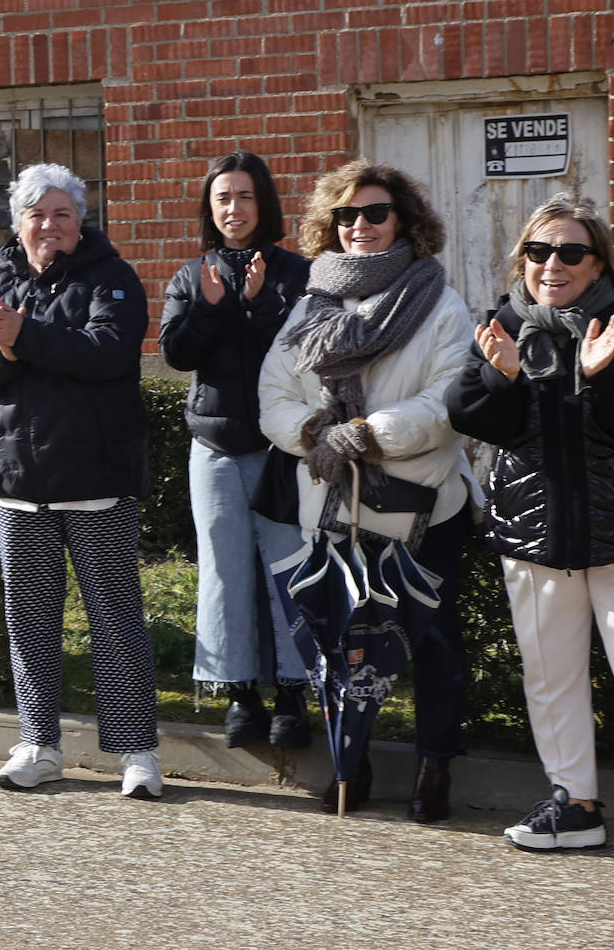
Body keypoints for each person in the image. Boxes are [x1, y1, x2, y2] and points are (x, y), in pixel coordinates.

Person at [445, 193, 614, 864]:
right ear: (522, 260)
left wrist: (604, 372)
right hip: (535, 533)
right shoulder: (501, 325)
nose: (552, 264)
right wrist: (503, 380)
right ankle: (575, 804)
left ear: (597, 263)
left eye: (570, 252)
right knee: (549, 671)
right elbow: (470, 413)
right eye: (538, 251)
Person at [258, 158, 477, 820]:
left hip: (424, 506)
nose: (360, 226)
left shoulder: (438, 300)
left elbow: (448, 401)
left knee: (432, 640)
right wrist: (314, 428)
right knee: (340, 638)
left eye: (375, 213)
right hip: (332, 504)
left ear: (405, 221)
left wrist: (366, 433)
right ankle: (353, 760)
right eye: (346, 215)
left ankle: (434, 766)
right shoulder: (309, 302)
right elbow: (271, 395)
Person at [0, 162, 162, 799]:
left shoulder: (111, 278)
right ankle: (39, 743)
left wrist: (24, 337)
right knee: (30, 619)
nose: (49, 226)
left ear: (81, 221)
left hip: (96, 478)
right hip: (17, 482)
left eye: (61, 214)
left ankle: (137, 752)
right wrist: (7, 349)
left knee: (115, 617)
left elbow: (107, 352)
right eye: (37, 214)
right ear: (18, 224)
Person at [158, 150, 312, 749]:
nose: (233, 208)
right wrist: (215, 307)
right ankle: (240, 692)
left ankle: (295, 696)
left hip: (281, 450)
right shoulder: (191, 277)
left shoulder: (296, 274)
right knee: (224, 571)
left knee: (289, 568)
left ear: (263, 203)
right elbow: (177, 353)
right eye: (222, 198)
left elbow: (304, 353)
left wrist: (257, 306)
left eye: (244, 196)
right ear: (209, 208)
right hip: (215, 448)